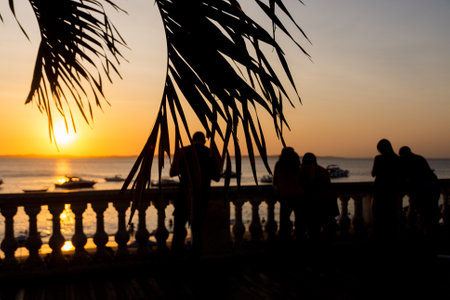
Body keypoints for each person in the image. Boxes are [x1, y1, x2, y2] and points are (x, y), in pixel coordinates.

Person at [169, 131, 221, 254]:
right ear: (204, 141)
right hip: (201, 196)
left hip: (184, 195)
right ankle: (195, 259)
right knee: (197, 231)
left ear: (192, 140)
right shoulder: (209, 153)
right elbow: (217, 177)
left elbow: (172, 173)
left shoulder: (183, 151)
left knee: (179, 230)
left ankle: (176, 257)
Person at [399, 146, 440, 238]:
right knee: (430, 216)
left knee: (423, 216)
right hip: (432, 188)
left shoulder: (408, 161)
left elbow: (408, 179)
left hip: (423, 191)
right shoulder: (419, 158)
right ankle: (430, 236)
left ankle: (423, 236)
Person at [299, 152, 338, 241]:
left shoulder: (303, 170)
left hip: (312, 202)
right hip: (326, 201)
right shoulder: (323, 170)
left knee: (313, 228)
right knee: (325, 227)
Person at [371, 139, 401, 241]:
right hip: (392, 191)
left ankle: (380, 239)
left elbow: (373, 173)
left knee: (379, 217)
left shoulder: (378, 158)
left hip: (380, 190)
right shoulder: (397, 159)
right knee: (391, 217)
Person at [272, 147, 303, 240]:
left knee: (284, 218)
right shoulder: (297, 164)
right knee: (299, 218)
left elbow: (275, 181)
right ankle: (299, 235)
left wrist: (276, 193)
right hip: (298, 194)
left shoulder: (279, 164)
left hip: (285, 195)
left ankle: (284, 236)